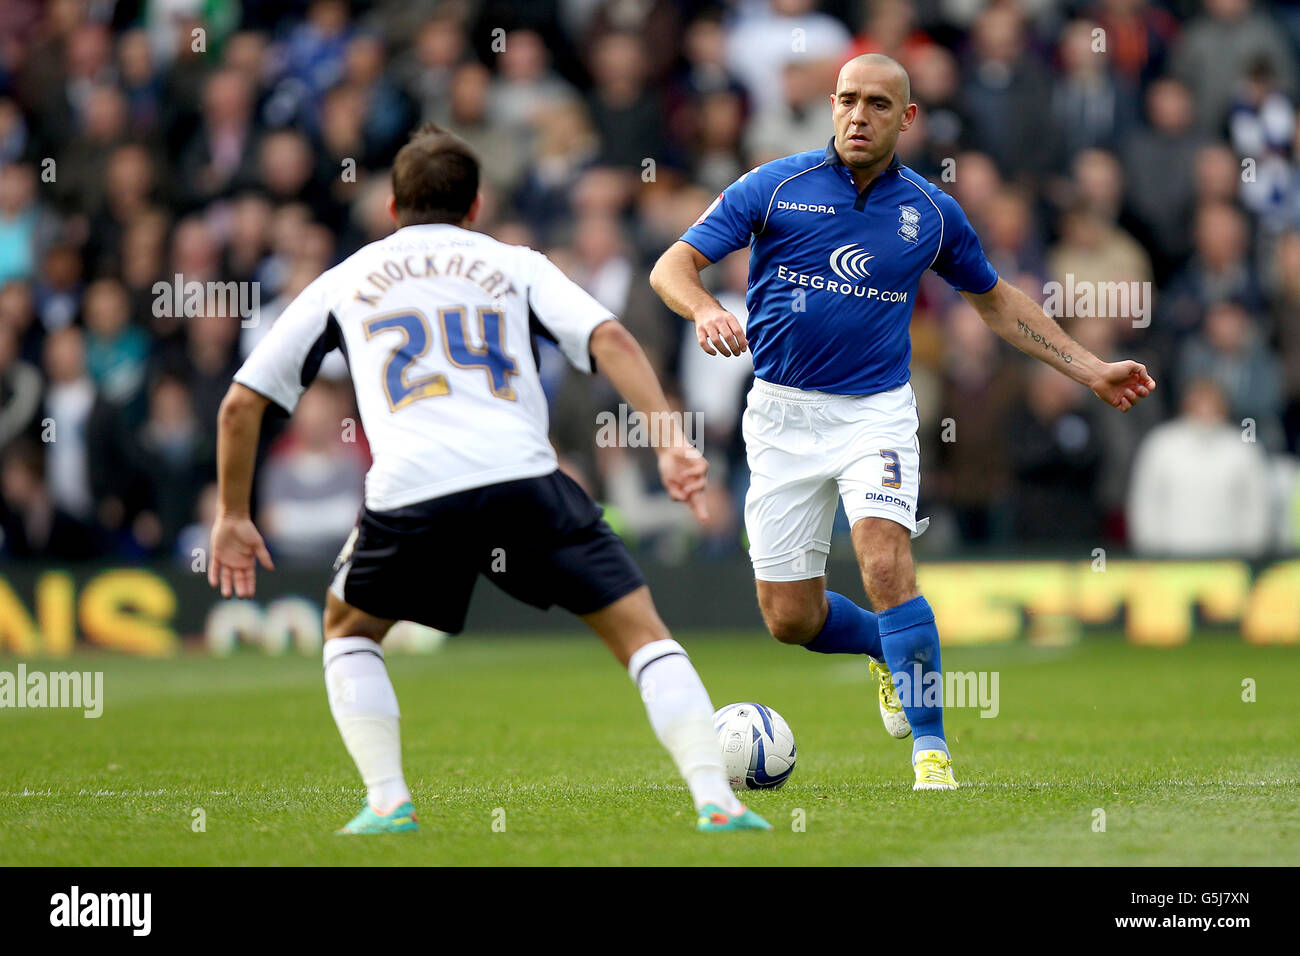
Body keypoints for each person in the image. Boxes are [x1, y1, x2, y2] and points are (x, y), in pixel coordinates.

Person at [207, 124, 769, 834]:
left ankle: (387, 802)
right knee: (642, 634)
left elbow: (239, 405)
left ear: (391, 208)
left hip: (410, 491)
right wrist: (667, 442)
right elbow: (612, 340)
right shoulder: (515, 263)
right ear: (475, 206)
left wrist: (232, 513)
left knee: (349, 632)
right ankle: (717, 801)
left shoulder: (345, 279)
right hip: (522, 477)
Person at [649, 54, 1156, 790]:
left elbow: (996, 301)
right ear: (831, 106)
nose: (859, 116)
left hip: (875, 414)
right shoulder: (774, 186)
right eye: (848, 101)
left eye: (878, 105)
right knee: (790, 619)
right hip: (781, 417)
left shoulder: (930, 211)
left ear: (906, 118)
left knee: (885, 562)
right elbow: (672, 265)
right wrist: (706, 309)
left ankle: (931, 750)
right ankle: (885, 648)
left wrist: (1088, 368)